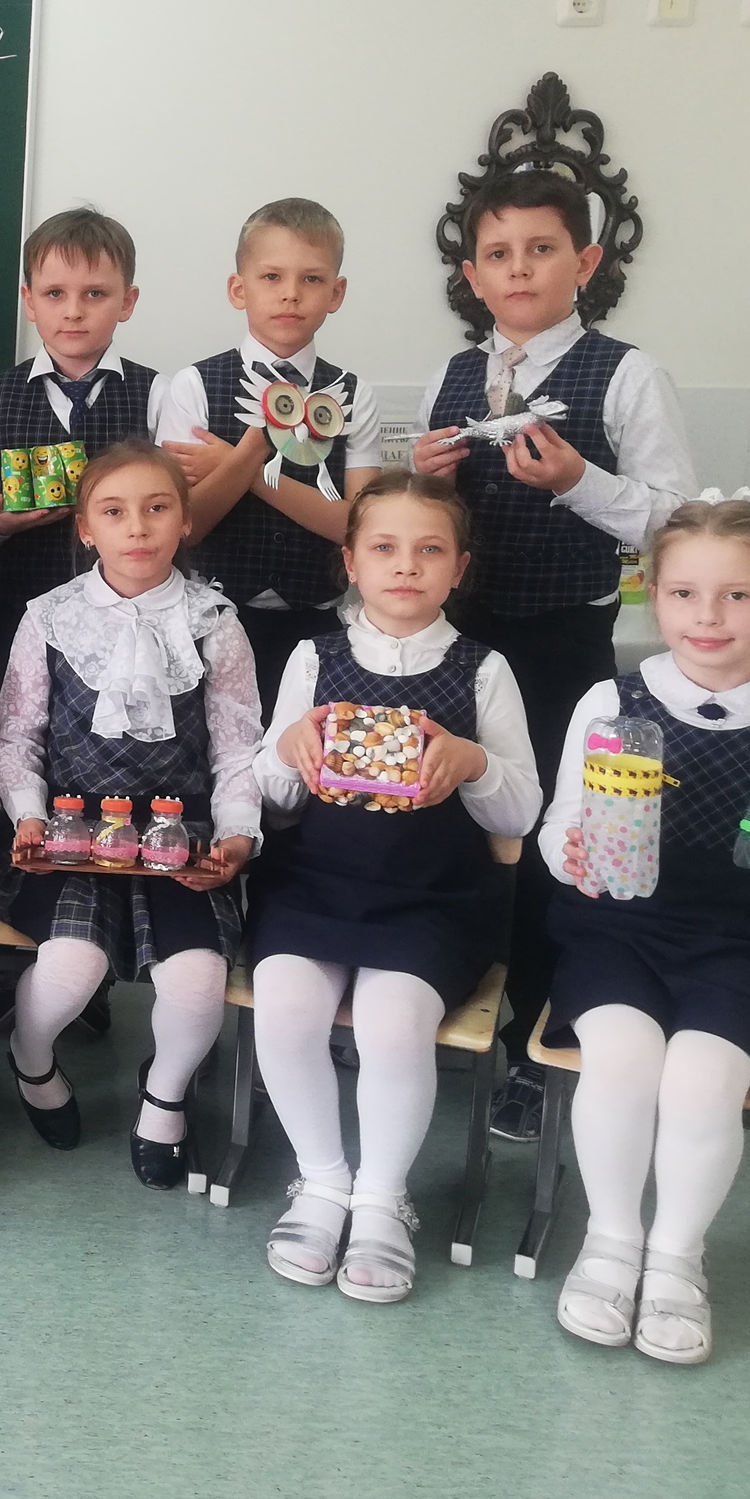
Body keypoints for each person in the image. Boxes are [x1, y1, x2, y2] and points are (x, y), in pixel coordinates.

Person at [411, 170, 697, 1140]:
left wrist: (578, 481)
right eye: (498, 254)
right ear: (472, 275)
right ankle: (439, 1004)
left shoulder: (627, 374)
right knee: (448, 824)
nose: (519, 269)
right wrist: (426, 481)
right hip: (455, 643)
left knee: (548, 843)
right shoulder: (452, 376)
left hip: (561, 644)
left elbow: (676, 523)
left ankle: (540, 1042)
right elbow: (431, 524)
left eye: (540, 250)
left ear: (585, 262)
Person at [540, 495, 750, 1365]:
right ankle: (610, 1241)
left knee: (703, 1080)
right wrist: (572, 854)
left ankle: (678, 1254)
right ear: (655, 596)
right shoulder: (610, 701)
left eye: (736, 596)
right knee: (623, 1058)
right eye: (684, 594)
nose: (708, 617)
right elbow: (559, 829)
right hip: (620, 928)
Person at [250, 472, 542, 1302]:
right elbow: (273, 800)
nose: (406, 565)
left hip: (433, 897)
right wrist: (288, 750)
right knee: (285, 1006)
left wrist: (474, 762)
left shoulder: (483, 669)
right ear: (351, 562)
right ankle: (321, 1180)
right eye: (384, 547)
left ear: (459, 568)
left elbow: (523, 811)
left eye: (429, 550)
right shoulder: (315, 657)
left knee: (392, 1021)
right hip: (314, 885)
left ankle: (382, 1198)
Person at [0, 442, 260, 1190]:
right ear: (86, 529)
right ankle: (31, 1060)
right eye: (114, 512)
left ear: (185, 522)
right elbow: (19, 735)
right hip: (71, 830)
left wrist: (237, 834)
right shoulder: (50, 617)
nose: (137, 527)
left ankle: (164, 1097)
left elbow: (238, 745)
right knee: (72, 967)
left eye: (157, 508)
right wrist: (27, 815)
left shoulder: (215, 621)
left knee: (198, 981)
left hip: (182, 836)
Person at [159, 198, 382, 708]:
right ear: (239, 289)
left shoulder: (354, 394)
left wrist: (238, 467)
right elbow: (186, 526)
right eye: (271, 277)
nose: (290, 294)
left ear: (336, 292)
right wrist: (251, 453)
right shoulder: (194, 385)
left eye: (312, 279)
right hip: (210, 617)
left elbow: (357, 527)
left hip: (318, 623)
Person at [0, 209, 164, 672]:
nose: (73, 311)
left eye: (95, 293)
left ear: (127, 302)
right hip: (15, 616)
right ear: (29, 300)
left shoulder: (160, 394)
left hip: (135, 622)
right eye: (54, 293)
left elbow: (179, 508)